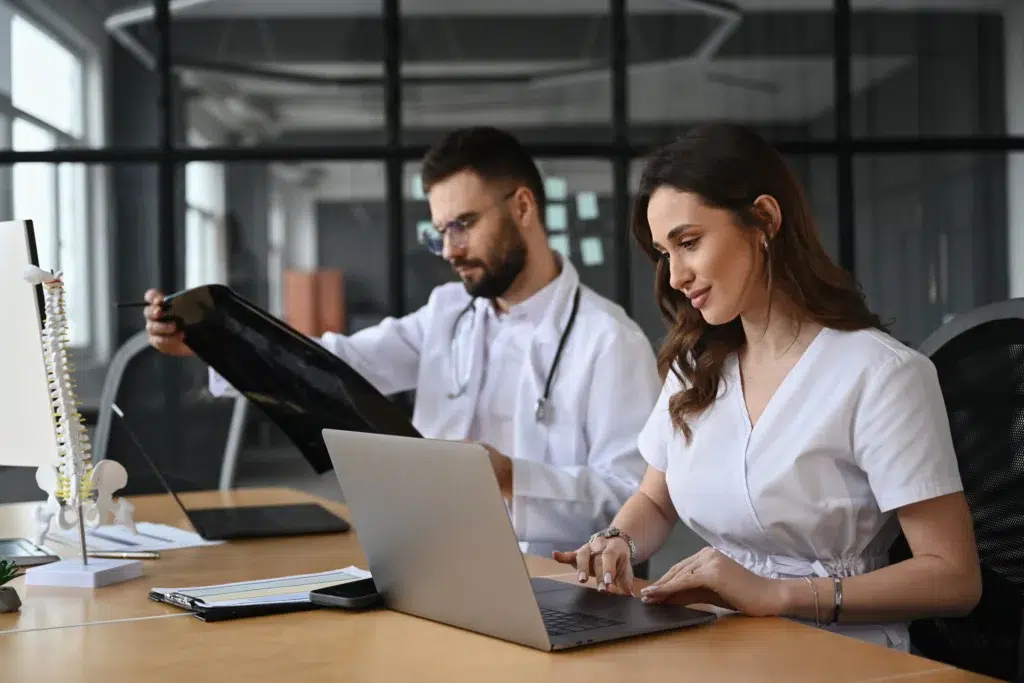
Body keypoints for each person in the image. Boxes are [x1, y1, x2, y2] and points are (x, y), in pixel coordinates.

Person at [554, 123, 982, 651]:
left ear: (765, 218)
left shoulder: (882, 374)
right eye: (665, 254)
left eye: (689, 243)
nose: (675, 277)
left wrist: (777, 594)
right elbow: (655, 500)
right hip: (721, 644)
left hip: (842, 653)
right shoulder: (697, 364)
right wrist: (616, 539)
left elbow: (954, 577)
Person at [143, 126, 661, 559]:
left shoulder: (610, 341)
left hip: (549, 579)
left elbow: (633, 499)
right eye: (440, 232)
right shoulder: (448, 312)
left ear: (523, 206)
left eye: (464, 224)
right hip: (427, 562)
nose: (450, 250)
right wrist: (218, 342)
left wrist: (510, 477)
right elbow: (334, 363)